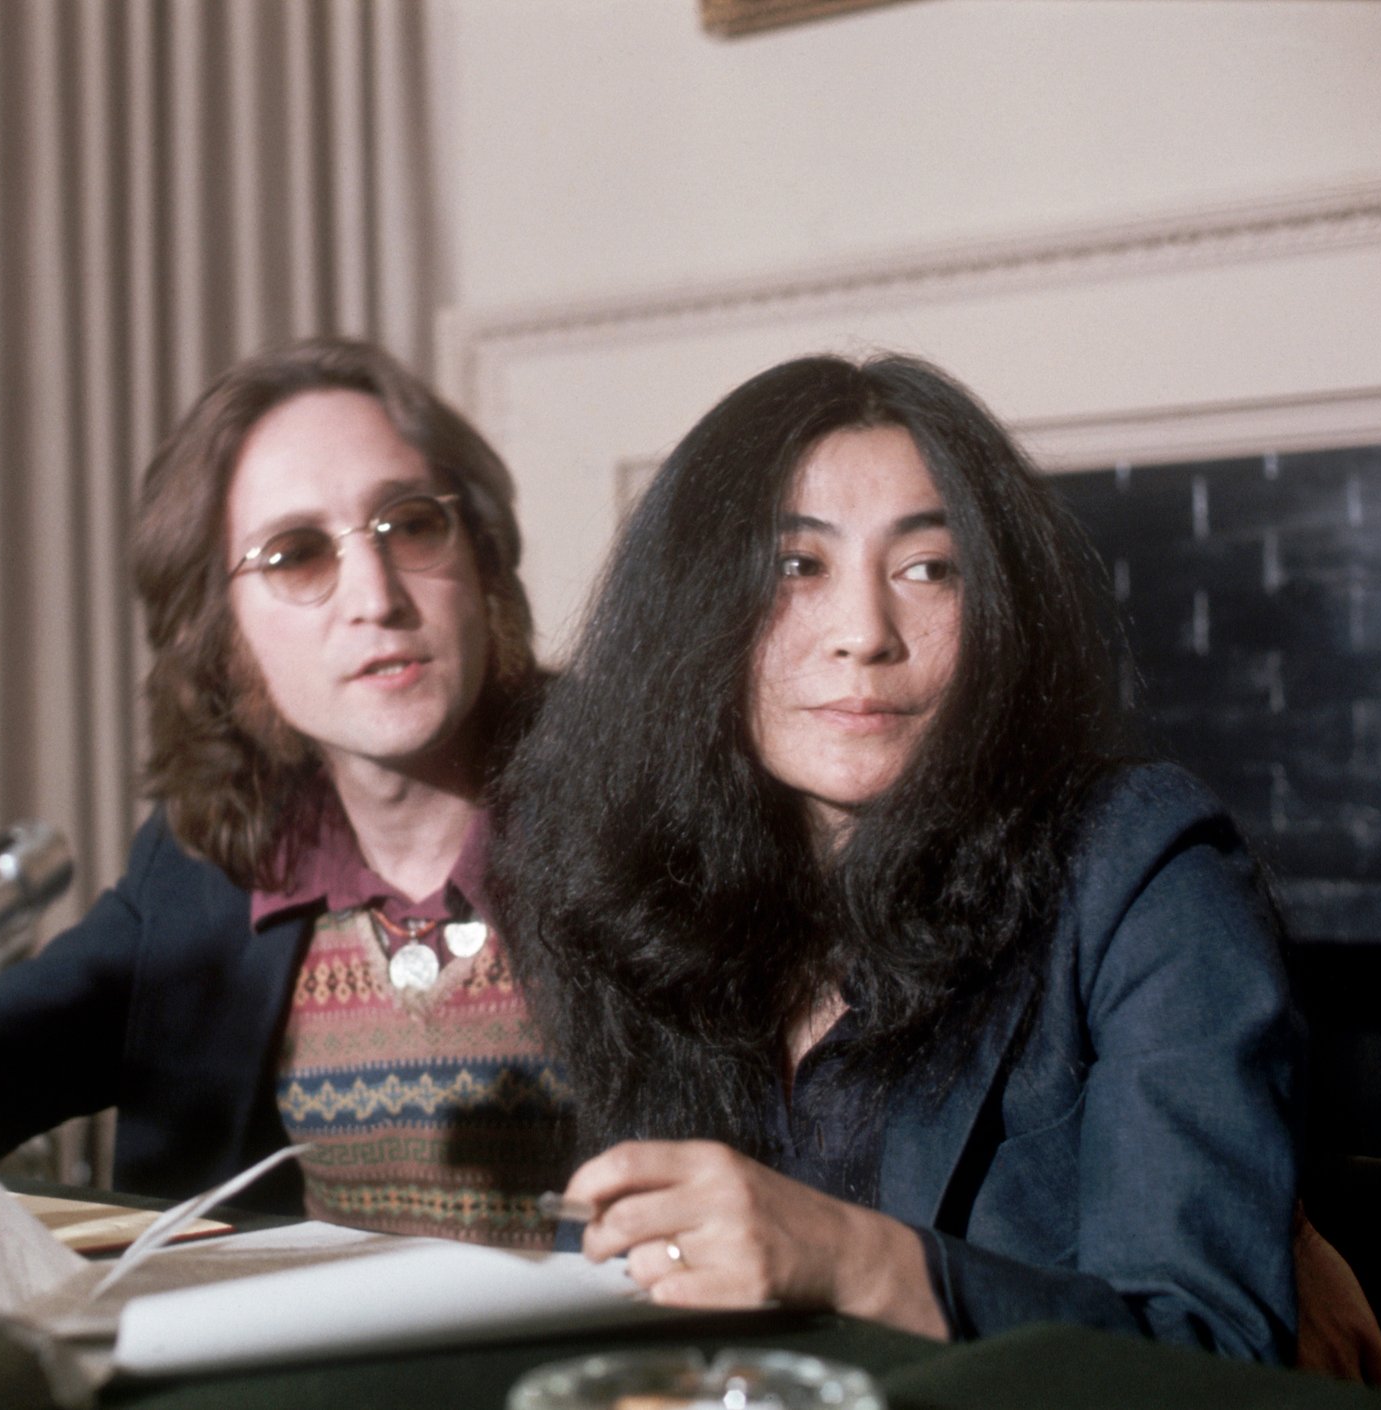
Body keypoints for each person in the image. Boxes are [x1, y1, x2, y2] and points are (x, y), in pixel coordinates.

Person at [491, 354, 1305, 1356]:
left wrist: (851, 1257)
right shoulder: (646, 896)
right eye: (797, 568)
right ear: (697, 607)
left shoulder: (1142, 864)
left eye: (929, 569)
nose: (863, 634)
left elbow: (1213, 1354)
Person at [0, 338, 572, 1243]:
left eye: (411, 525)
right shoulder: (200, 870)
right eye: (297, 554)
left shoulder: (651, 811)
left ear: (483, 560)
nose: (374, 596)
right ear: (222, 636)